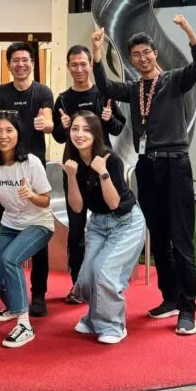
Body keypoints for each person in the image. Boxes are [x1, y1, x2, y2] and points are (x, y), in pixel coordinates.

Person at [91, 14, 196, 335]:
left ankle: (188, 308)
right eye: (136, 55)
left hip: (176, 164)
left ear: (155, 54)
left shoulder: (174, 80)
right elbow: (105, 86)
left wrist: (188, 31)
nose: (142, 59)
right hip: (147, 166)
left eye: (146, 53)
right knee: (158, 238)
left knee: (182, 239)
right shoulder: (133, 88)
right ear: (130, 60)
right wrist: (97, 54)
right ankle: (170, 298)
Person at [0, 112, 53, 348]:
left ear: (18, 134)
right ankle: (13, 306)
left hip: (38, 223)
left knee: (10, 260)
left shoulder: (31, 162)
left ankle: (24, 323)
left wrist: (31, 195)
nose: (3, 136)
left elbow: (46, 201)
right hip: (10, 224)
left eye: (9, 131)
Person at [0, 42, 54, 317]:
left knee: (37, 234)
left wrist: (46, 125)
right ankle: (10, 287)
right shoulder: (1, 92)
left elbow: (47, 120)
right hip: (4, 167)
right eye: (15, 60)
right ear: (9, 64)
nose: (20, 64)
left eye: (25, 60)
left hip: (31, 166)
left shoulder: (42, 92)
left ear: (32, 63)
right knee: (8, 224)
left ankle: (38, 294)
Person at [61, 111, 145, 344]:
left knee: (105, 273)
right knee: (88, 275)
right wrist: (70, 176)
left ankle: (114, 326)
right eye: (75, 129)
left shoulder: (110, 159)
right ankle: (93, 320)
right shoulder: (71, 161)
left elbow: (114, 203)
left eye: (86, 130)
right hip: (98, 223)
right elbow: (77, 207)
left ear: (96, 133)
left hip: (126, 222)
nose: (80, 134)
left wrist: (103, 173)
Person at [51, 44, 126, 303]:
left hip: (101, 166)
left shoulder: (103, 93)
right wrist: (61, 127)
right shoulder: (62, 98)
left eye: (84, 63)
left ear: (90, 65)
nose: (80, 69)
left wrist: (107, 119)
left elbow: (117, 128)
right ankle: (78, 286)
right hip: (73, 168)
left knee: (109, 221)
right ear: (69, 66)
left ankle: (107, 280)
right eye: (75, 64)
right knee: (76, 230)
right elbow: (60, 137)